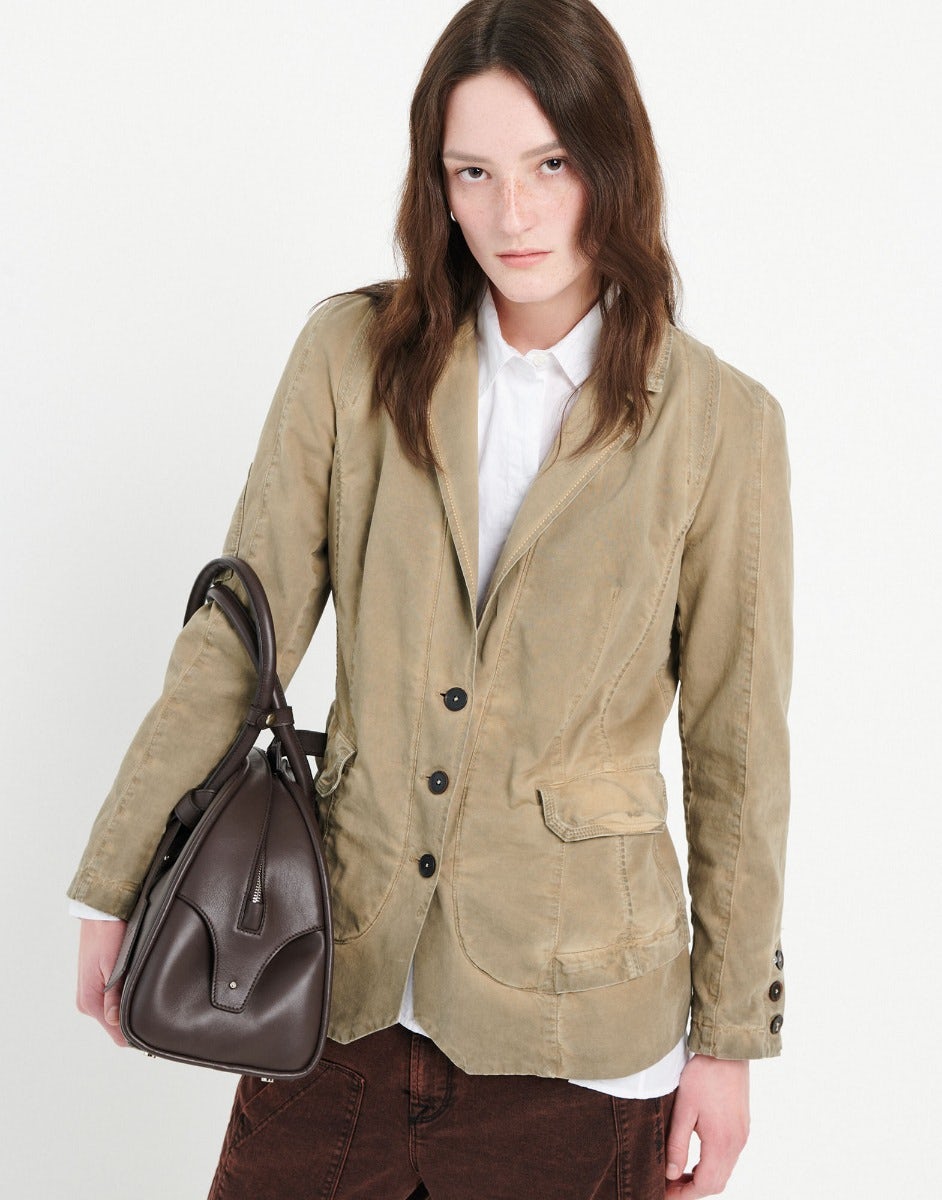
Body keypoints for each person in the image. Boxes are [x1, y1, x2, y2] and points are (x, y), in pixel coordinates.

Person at [71, 1, 793, 1197]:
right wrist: (117, 880)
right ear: (437, 185)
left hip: (579, 1037)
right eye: (474, 172)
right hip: (334, 987)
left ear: (614, 163)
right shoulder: (349, 357)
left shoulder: (723, 426)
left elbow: (738, 753)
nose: (514, 214)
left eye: (551, 165)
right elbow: (235, 643)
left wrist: (728, 1041)